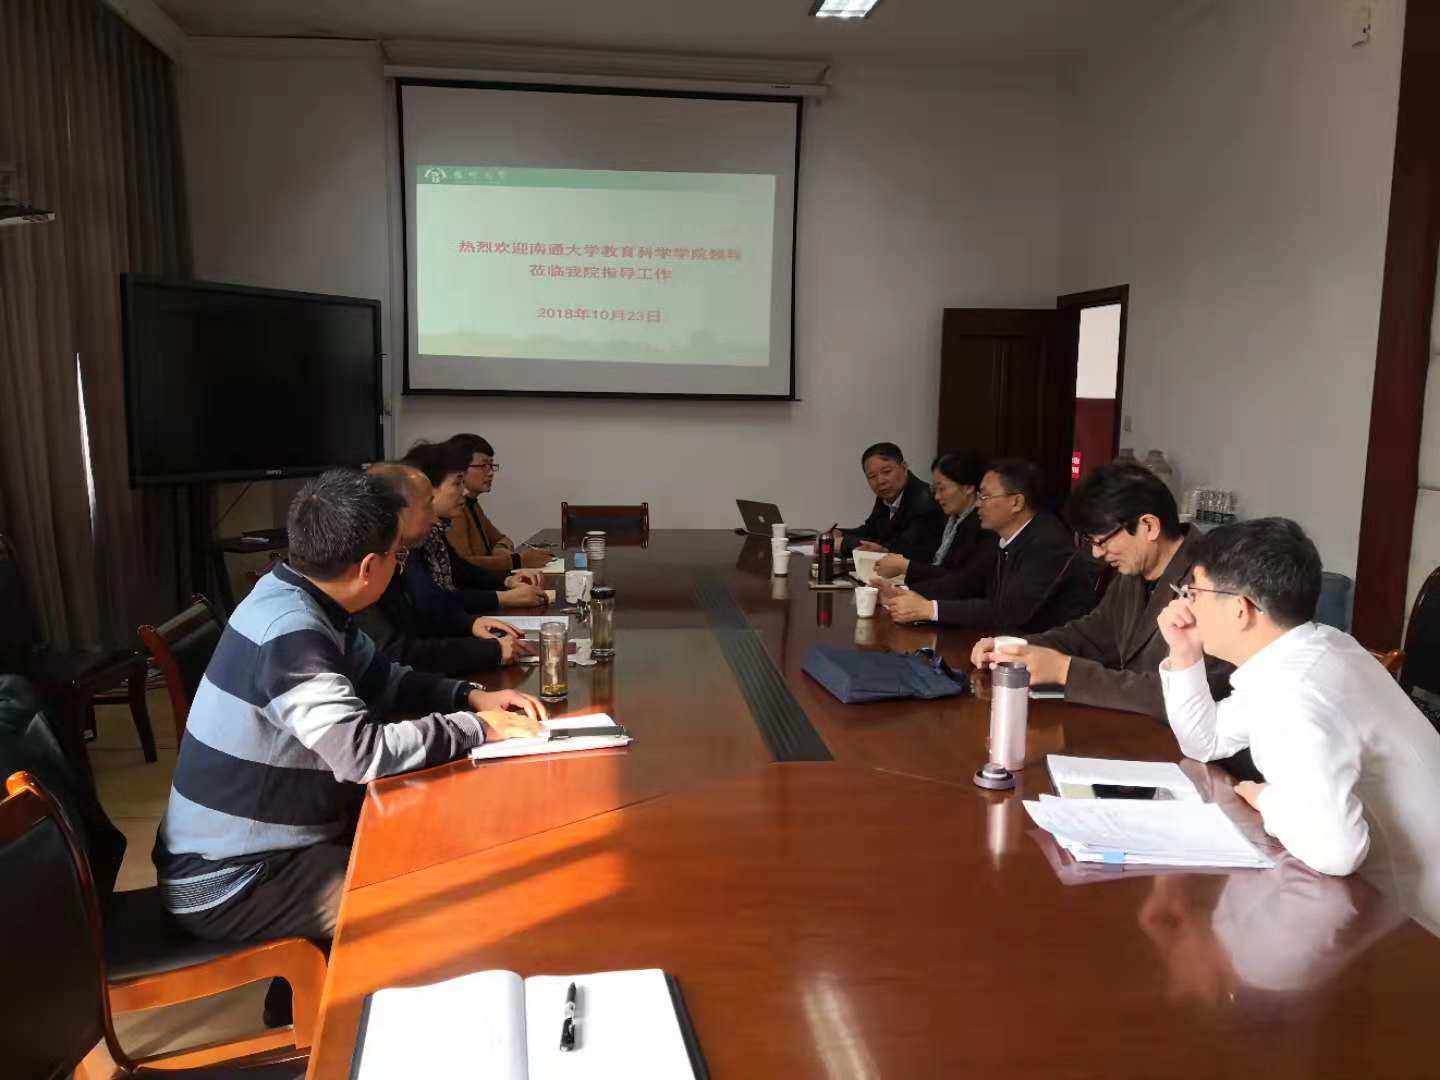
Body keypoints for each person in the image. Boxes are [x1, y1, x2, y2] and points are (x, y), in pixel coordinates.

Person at [152, 468, 547, 968]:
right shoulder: (290, 630)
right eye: (397, 556)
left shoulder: (298, 593)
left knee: (439, 844)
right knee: (438, 900)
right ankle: (345, 1008)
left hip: (271, 847)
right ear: (369, 567)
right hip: (234, 877)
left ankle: (308, 993)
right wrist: (480, 729)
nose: (399, 566)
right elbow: (360, 754)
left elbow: (383, 677)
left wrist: (470, 698)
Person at [1157, 517, 1440, 931]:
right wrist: (1183, 652)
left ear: (1239, 609)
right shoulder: (1315, 648)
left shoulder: (1294, 690)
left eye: (1194, 592)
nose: (1186, 605)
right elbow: (1206, 740)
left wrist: (1267, 798)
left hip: (1416, 925)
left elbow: (1336, 850)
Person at [970, 462, 1231, 715]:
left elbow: (1193, 696)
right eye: (1091, 542)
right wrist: (1017, 648)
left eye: (1102, 541)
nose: (1097, 553)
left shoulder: (1214, 583)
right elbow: (1094, 633)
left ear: (1148, 526)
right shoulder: (1136, 568)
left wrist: (1066, 672)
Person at [356, 463, 533, 675]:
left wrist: (469, 624)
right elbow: (395, 655)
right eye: (427, 506)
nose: (433, 518)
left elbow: (422, 613)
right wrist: (490, 651)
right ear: (396, 512)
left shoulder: (398, 552)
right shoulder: (366, 564)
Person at [883, 458, 1097, 632]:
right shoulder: (1003, 536)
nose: (977, 504)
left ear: (1016, 502)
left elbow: (1008, 611)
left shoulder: (1048, 543)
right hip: (1006, 640)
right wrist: (902, 593)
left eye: (984, 496)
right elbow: (967, 582)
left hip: (1046, 651)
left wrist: (930, 610)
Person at [401, 440, 547, 617]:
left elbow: (461, 569)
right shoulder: (410, 540)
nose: (464, 491)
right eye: (457, 483)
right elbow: (430, 600)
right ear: (427, 489)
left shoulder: (435, 530)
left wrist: (507, 580)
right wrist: (502, 597)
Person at [874, 449, 994, 586]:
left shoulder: (983, 526)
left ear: (968, 488)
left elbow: (963, 580)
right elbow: (925, 555)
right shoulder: (951, 520)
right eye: (935, 490)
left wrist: (907, 567)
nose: (937, 497)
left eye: (942, 489)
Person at [445, 433, 551, 573]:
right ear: (459, 469)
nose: (490, 473)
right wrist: (517, 561)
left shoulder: (472, 504)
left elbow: (501, 539)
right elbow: (462, 565)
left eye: (491, 465)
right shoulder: (454, 510)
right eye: (483, 465)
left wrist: (500, 549)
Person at [835, 442, 945, 561]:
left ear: (904, 467)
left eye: (887, 472)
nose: (880, 481)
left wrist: (844, 544)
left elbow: (902, 548)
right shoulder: (888, 495)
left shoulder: (925, 501)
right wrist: (840, 533)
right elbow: (871, 530)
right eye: (872, 477)